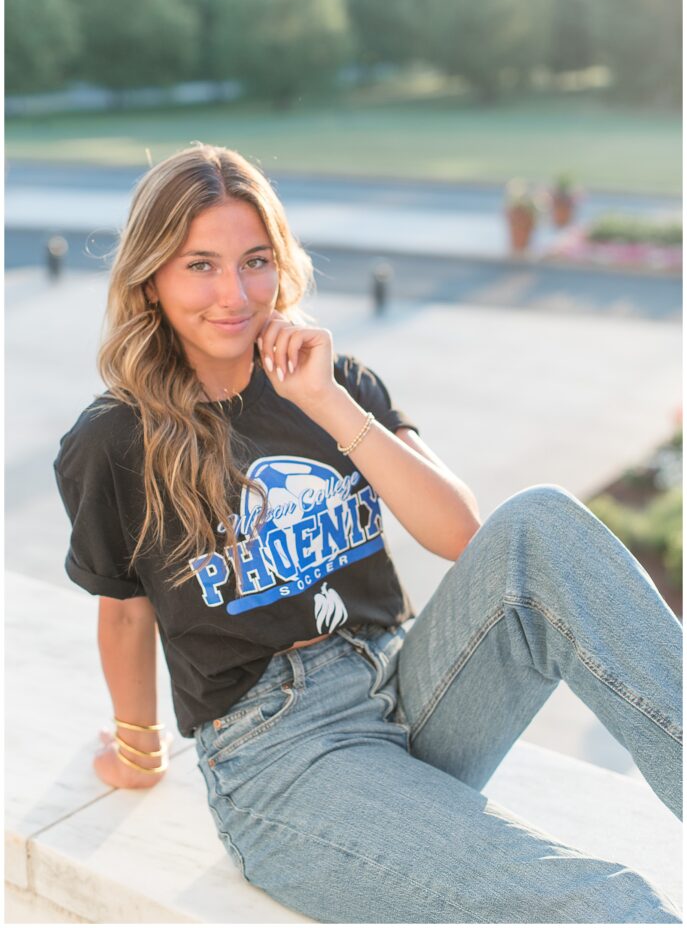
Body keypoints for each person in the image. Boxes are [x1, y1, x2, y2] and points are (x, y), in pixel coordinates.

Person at [54, 143, 682, 924]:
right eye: (199, 265)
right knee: (605, 902)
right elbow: (123, 610)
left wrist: (327, 405)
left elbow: (463, 536)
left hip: (407, 682)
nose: (234, 293)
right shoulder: (115, 441)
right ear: (151, 276)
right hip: (283, 758)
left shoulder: (330, 380)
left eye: (253, 261)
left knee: (540, 521)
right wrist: (138, 752)